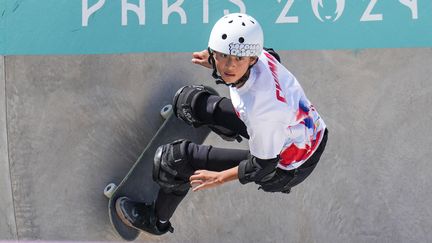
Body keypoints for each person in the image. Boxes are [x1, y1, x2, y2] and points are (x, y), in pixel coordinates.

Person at [115, 13, 328, 235]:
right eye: (223, 56)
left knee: (174, 160)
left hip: (288, 165)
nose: (229, 66)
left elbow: (262, 165)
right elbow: (251, 56)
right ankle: (225, 126)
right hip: (300, 130)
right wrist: (215, 61)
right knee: (189, 101)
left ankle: (156, 221)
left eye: (238, 59)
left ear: (252, 59)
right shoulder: (260, 56)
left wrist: (218, 178)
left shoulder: (261, 110)